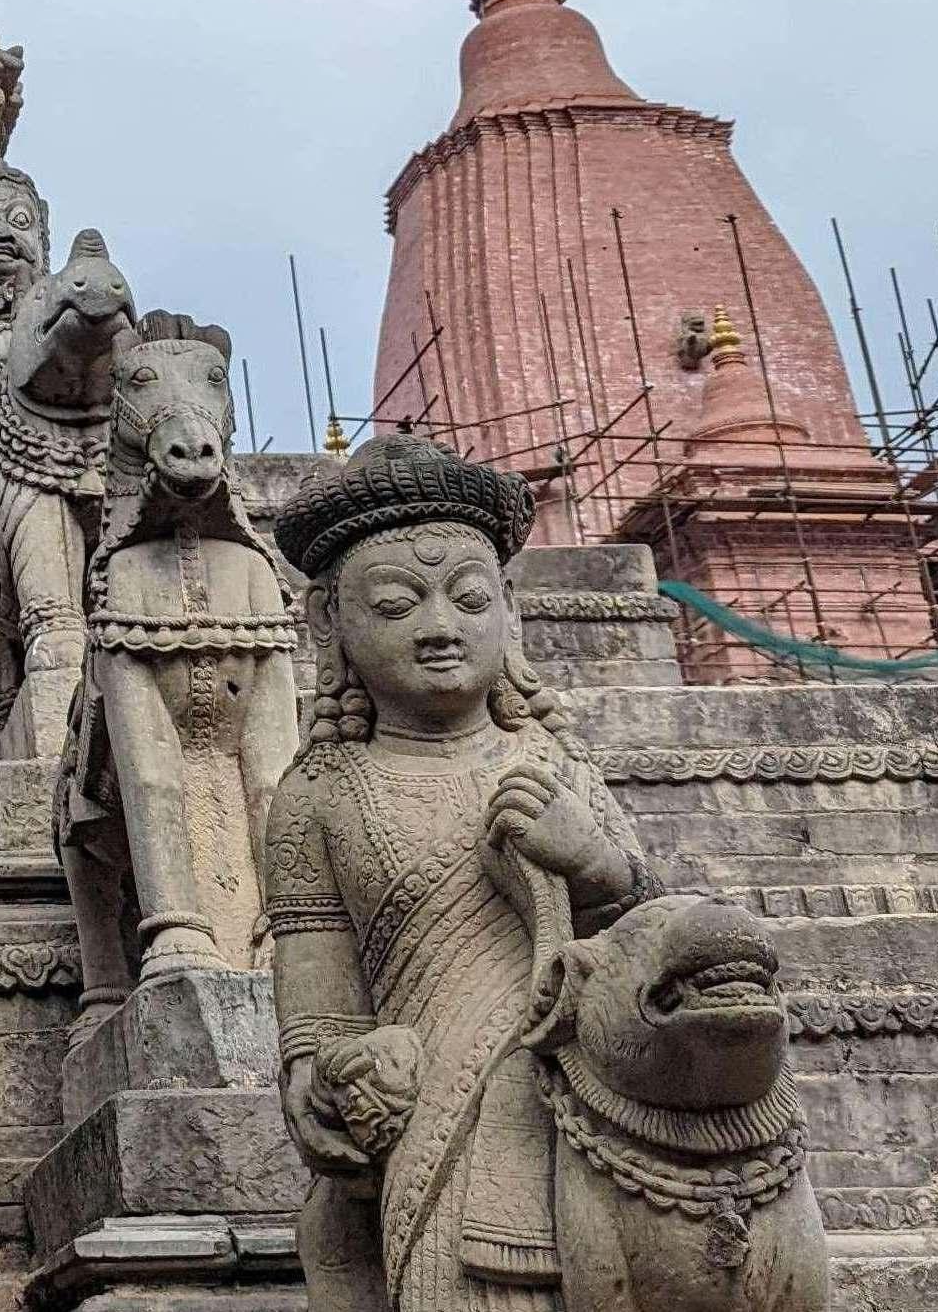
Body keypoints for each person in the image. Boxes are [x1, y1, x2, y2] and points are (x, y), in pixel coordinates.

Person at [263, 435, 651, 1311]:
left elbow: (653, 942)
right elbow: (315, 1009)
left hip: (590, 1120)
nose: (439, 626)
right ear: (329, 623)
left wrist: (591, 861)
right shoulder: (318, 793)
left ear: (507, 610)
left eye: (468, 597)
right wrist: (330, 1075)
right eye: (396, 603)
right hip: (436, 1131)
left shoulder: (552, 760)